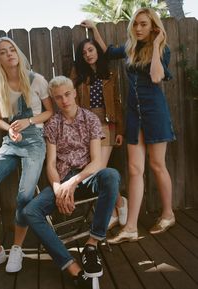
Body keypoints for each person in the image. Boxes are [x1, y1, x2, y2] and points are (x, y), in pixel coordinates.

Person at [81, 7, 176, 244]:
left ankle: (168, 214)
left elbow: (156, 76)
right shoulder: (130, 48)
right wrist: (94, 29)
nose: (138, 28)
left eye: (143, 24)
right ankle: (131, 227)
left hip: (155, 113)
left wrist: (156, 45)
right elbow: (108, 51)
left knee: (157, 164)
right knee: (135, 170)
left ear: (153, 26)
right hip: (134, 115)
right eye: (135, 24)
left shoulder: (162, 50)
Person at [23, 76, 121, 289]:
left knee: (112, 175)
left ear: (74, 92)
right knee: (30, 211)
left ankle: (92, 244)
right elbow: (50, 164)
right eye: (58, 97)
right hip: (63, 180)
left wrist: (74, 182)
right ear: (55, 100)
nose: (64, 100)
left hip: (87, 177)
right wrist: (59, 188)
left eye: (67, 94)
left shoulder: (91, 119)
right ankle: (73, 268)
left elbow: (96, 162)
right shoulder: (53, 124)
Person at [0, 37, 53, 274]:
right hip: (11, 142)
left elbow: (49, 111)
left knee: (25, 197)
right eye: (3, 52)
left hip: (35, 142)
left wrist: (29, 121)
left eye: (12, 50)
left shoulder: (36, 80)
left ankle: (16, 248)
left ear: (17, 52)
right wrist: (10, 130)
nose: (9, 54)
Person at [70, 38, 127, 229]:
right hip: (87, 127)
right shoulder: (79, 75)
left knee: (99, 168)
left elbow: (117, 102)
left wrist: (119, 130)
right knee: (98, 170)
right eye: (84, 52)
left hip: (107, 124)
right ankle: (119, 202)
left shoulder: (109, 73)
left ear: (97, 51)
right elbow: (71, 100)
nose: (88, 54)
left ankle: (111, 211)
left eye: (91, 50)